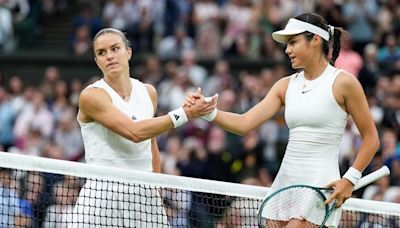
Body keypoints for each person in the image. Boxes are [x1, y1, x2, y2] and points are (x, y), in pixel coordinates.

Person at [187, 13, 379, 227]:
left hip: (319, 186)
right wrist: (207, 112)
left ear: (315, 40)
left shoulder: (344, 82)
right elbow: (243, 124)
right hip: (285, 184)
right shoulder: (285, 85)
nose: (287, 50)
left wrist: (350, 179)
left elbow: (371, 138)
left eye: (293, 42)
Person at [69, 28, 217, 227]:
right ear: (97, 61)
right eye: (102, 53)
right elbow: (135, 132)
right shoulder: (92, 96)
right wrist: (185, 114)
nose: (109, 56)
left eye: (115, 49)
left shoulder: (148, 92)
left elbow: (150, 141)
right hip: (101, 195)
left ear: (128, 52)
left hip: (143, 195)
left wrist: (155, 188)